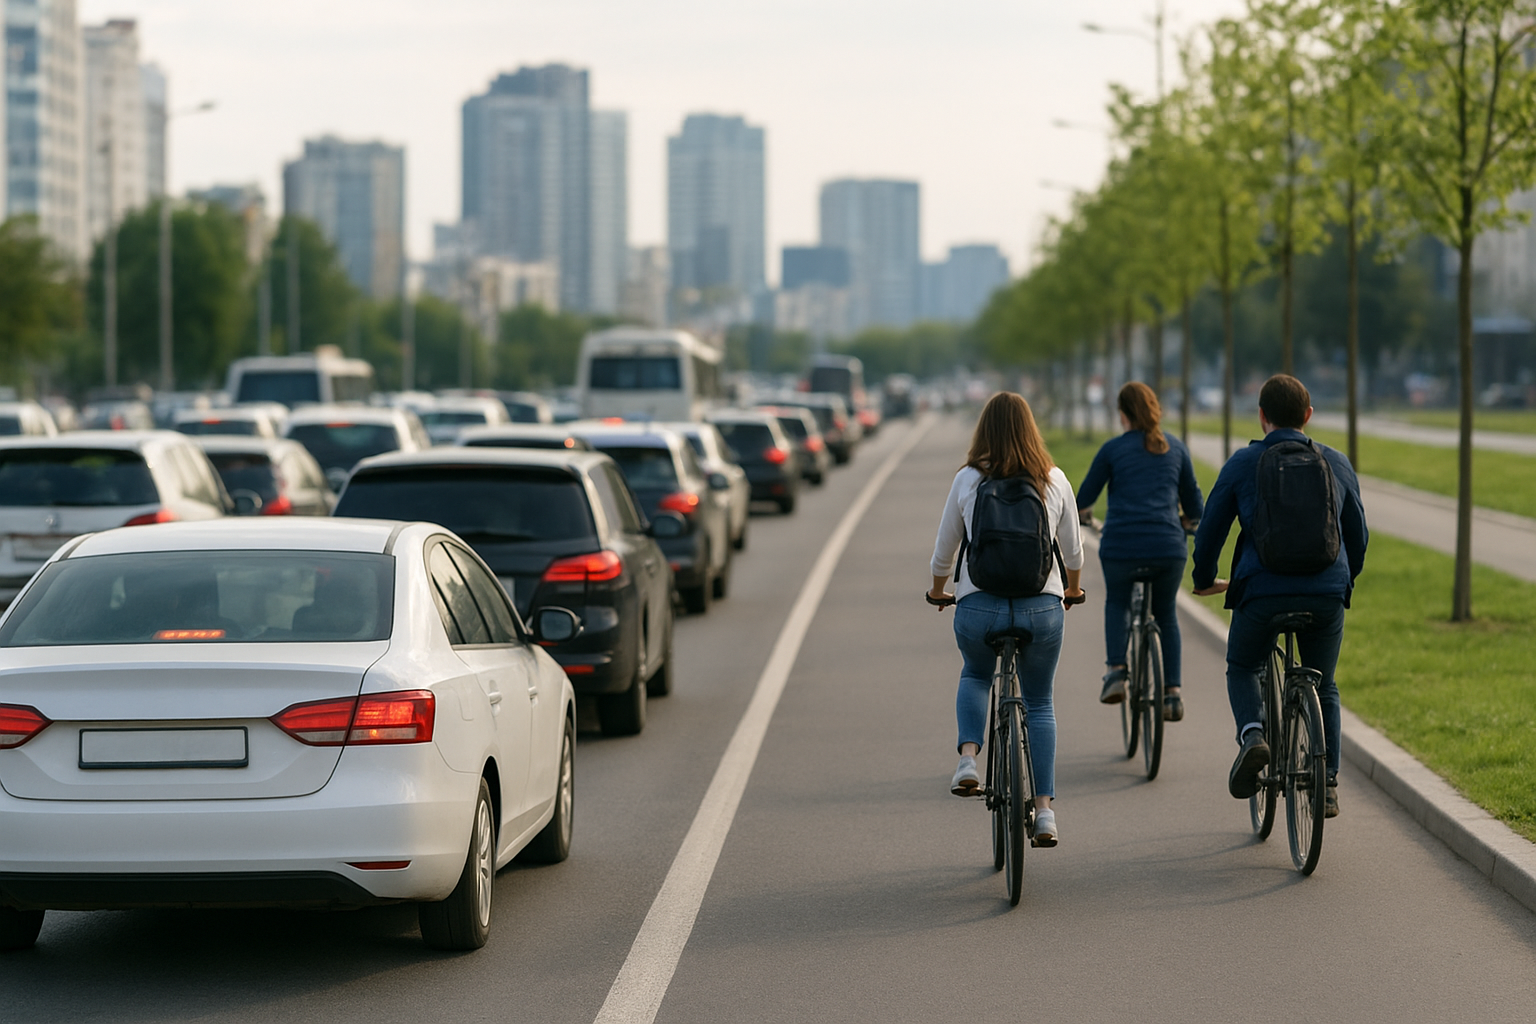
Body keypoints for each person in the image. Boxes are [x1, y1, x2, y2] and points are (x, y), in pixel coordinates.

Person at [1191, 374, 1367, 818]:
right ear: (1308, 416)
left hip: (1262, 594)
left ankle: (1253, 734)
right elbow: (1358, 535)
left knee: (1244, 665)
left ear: (1262, 416)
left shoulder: (1242, 463)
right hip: (1326, 594)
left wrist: (1204, 577)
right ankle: (1326, 783)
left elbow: (1211, 529)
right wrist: (1344, 581)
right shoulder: (1337, 463)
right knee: (1323, 683)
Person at [928, 392, 1086, 847]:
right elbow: (1073, 552)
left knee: (976, 673)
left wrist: (939, 591)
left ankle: (968, 761)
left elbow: (944, 551)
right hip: (1042, 608)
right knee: (1039, 703)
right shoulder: (1053, 479)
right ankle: (1045, 812)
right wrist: (1071, 588)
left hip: (979, 606)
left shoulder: (968, 479)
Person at [1076, 382, 1204, 721]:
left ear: (1122, 415)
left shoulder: (1112, 451)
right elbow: (1194, 505)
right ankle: (1172, 694)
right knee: (1166, 614)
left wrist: (1084, 515)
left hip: (1122, 547)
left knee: (1117, 601)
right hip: (1168, 547)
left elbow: (1083, 498)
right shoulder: (1175, 448)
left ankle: (1117, 671)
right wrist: (1186, 521)